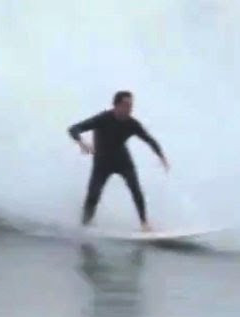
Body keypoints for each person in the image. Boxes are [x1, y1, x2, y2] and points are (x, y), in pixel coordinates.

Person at [67, 91, 169, 231]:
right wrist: (82, 143)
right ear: (116, 105)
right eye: (126, 105)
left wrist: (161, 157)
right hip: (102, 163)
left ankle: (145, 224)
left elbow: (149, 140)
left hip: (122, 161)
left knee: (135, 189)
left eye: (131, 105)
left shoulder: (132, 123)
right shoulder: (102, 119)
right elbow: (73, 129)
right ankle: (85, 226)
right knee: (93, 194)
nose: (130, 109)